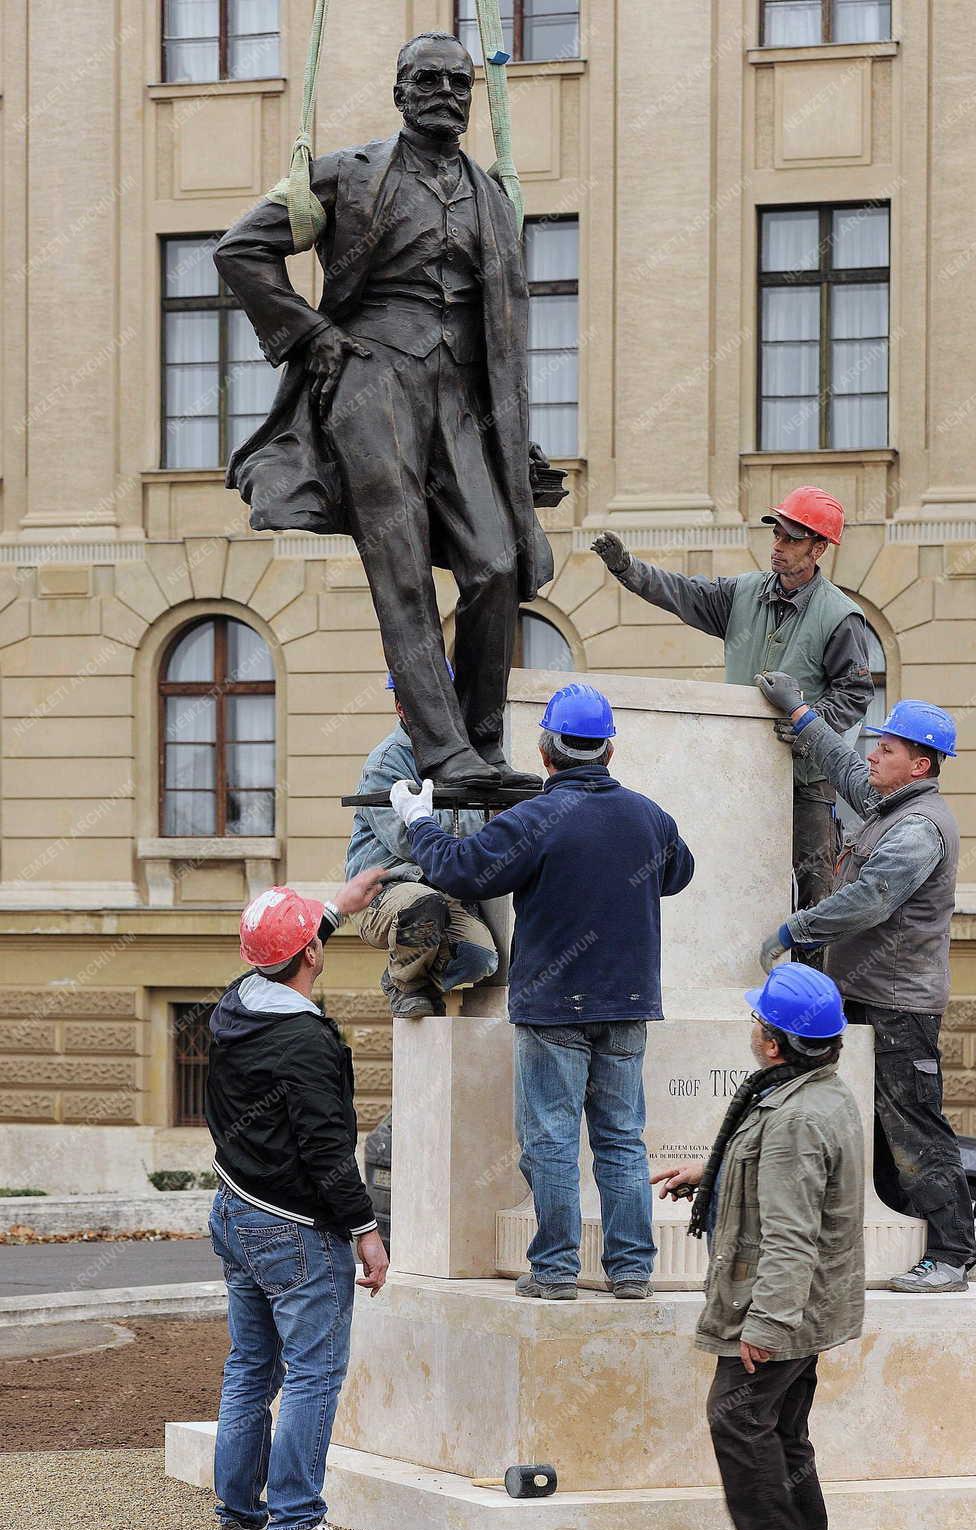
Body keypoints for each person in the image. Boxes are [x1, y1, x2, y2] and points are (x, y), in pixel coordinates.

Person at [214, 30, 556, 791]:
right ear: (399, 93)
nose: (445, 93)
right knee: (401, 570)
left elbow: (502, 330)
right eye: (426, 80)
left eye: (458, 83)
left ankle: (481, 741)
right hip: (372, 382)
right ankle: (443, 752)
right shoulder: (346, 174)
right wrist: (315, 335)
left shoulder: (493, 197)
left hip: (460, 396)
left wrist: (516, 439)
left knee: (496, 564)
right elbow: (241, 249)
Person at [388, 682, 695, 1300]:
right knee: (621, 1141)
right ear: (608, 750)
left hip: (554, 1006)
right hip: (627, 1004)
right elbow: (678, 873)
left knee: (552, 1140)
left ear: (546, 750)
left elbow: (460, 868)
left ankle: (555, 1271)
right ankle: (631, 1271)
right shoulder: (648, 816)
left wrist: (420, 823)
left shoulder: (536, 819)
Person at [755, 677, 976, 1292]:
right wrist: (801, 714)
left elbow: (873, 898)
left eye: (887, 747)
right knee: (872, 1127)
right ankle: (892, 1243)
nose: (873, 752)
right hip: (862, 995)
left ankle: (954, 1255)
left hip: (898, 1004)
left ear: (920, 764)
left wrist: (796, 929)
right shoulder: (892, 805)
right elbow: (845, 766)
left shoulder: (919, 828)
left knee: (912, 1126)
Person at [653, 964, 864, 1530]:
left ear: (774, 1043)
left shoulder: (795, 1121)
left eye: (757, 1019)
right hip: (814, 1304)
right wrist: (712, 1174)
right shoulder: (817, 1095)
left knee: (737, 1416)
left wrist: (766, 1325)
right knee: (781, 1427)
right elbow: (784, 1185)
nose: (752, 1026)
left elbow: (790, 1236)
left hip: (784, 1307)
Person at [204, 875, 389, 1530]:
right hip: (293, 1227)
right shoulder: (305, 1042)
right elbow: (327, 1152)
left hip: (235, 1209)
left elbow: (280, 957)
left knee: (251, 1367)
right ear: (309, 953)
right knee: (313, 1371)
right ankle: (300, 1523)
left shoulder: (233, 1004)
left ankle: (238, 1520)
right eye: (315, 934)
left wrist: (337, 906)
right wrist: (366, 1230)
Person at [592, 487, 873, 944]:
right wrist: (628, 569)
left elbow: (854, 694)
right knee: (735, 875)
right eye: (777, 535)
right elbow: (680, 592)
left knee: (813, 888)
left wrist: (807, 723)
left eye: (792, 539)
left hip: (806, 780)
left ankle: (808, 993)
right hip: (742, 772)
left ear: (818, 548)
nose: (778, 545)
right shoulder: (743, 593)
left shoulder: (840, 616)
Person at [347, 666, 500, 1017]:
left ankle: (409, 978)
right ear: (401, 707)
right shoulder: (387, 764)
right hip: (386, 893)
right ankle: (406, 984)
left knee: (481, 959)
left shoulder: (461, 758)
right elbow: (409, 841)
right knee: (422, 904)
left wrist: (440, 821)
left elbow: (476, 825)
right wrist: (462, 827)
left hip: (443, 891)